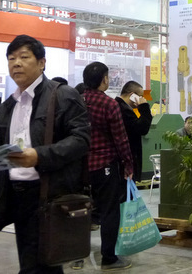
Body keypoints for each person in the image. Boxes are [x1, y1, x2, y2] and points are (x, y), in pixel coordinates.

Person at [0, 35, 90, 274]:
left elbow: (81, 140)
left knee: (41, 263)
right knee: (36, 262)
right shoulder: (9, 105)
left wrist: (39, 156)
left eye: (24, 57)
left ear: (42, 63)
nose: (16, 63)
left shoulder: (63, 95)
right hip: (17, 194)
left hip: (48, 194)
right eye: (11, 59)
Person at [83, 62, 134, 271]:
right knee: (109, 212)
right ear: (104, 80)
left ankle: (76, 255)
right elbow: (120, 138)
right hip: (105, 166)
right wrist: (128, 164)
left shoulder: (77, 101)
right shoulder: (109, 104)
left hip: (80, 167)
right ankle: (109, 258)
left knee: (80, 211)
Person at [116, 80, 153, 182]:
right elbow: (142, 128)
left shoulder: (119, 106)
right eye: (140, 96)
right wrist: (144, 107)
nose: (142, 99)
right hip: (126, 162)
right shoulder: (123, 110)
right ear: (132, 95)